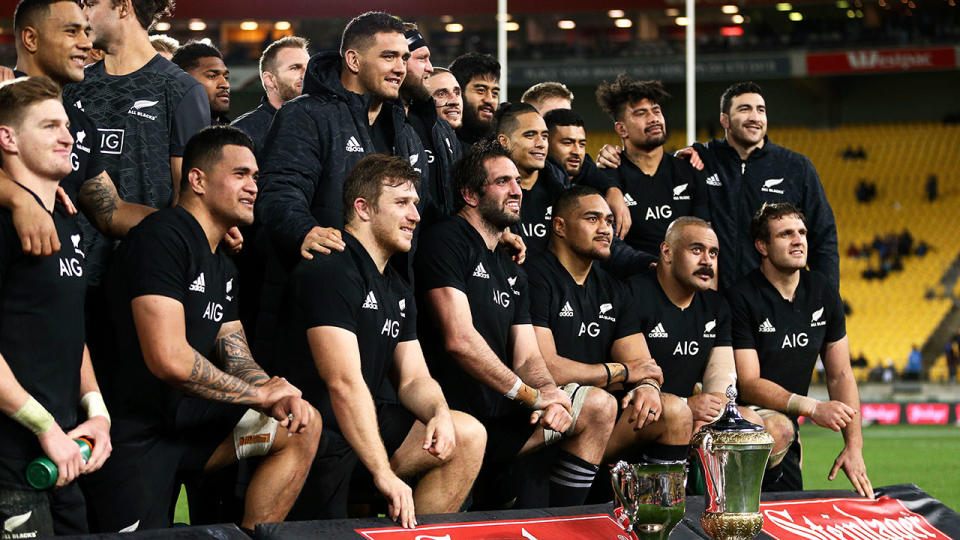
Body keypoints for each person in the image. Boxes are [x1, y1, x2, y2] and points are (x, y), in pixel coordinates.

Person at [82, 126, 320, 533]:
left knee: (300, 425)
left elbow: (235, 352)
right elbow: (169, 361)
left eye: (256, 178)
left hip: (187, 427)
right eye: (240, 174)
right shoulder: (162, 237)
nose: (252, 187)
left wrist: (274, 392)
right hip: (131, 437)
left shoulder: (222, 261)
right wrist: (258, 394)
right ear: (197, 180)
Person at [275, 154, 485, 526]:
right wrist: (383, 472)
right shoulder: (331, 267)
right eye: (402, 203)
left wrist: (437, 413)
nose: (415, 216)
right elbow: (342, 383)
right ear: (364, 208)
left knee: (466, 434)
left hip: (359, 425)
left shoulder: (397, 286)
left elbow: (414, 378)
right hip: (311, 433)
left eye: (415, 204)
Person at [415, 141, 617, 509]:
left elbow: (527, 355)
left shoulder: (511, 266)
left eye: (517, 182)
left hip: (507, 417)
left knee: (597, 406)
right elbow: (459, 340)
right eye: (502, 181)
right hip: (454, 419)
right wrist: (530, 395)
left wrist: (549, 394)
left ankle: (564, 524)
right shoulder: (445, 240)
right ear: (470, 195)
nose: (516, 190)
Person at [0, 76, 112, 538]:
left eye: (66, 125)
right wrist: (43, 425)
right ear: (7, 137)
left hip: (63, 451)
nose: (68, 136)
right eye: (49, 126)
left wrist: (98, 413)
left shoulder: (67, 221)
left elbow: (69, 330)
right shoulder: (5, 224)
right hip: (10, 458)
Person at [597, 82, 838, 291]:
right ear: (724, 119)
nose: (754, 117)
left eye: (761, 110)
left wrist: (827, 299)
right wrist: (610, 173)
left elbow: (823, 238)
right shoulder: (701, 159)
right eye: (744, 109)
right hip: (716, 297)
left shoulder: (796, 167)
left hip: (773, 298)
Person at [526, 186, 691, 466]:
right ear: (560, 226)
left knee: (674, 410)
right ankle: (575, 506)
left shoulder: (613, 289)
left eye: (609, 221)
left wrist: (649, 386)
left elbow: (643, 364)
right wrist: (621, 372)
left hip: (603, 412)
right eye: (592, 219)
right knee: (599, 403)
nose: (605, 229)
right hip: (545, 412)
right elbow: (547, 367)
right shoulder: (534, 276)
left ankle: (661, 508)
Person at [256, 11, 427, 267]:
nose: (400, 68)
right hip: (325, 282)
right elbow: (280, 190)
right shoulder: (306, 114)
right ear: (353, 61)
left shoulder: (405, 132)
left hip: (390, 294)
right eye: (388, 56)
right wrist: (303, 230)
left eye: (404, 58)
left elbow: (428, 212)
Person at [727, 202, 872, 497]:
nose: (798, 240)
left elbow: (841, 374)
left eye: (802, 232)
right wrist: (813, 407)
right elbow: (749, 383)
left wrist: (853, 447)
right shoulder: (741, 296)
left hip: (787, 422)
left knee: (786, 510)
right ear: (762, 245)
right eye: (785, 234)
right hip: (742, 418)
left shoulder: (823, 291)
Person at [65, 0, 210, 284]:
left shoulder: (180, 89)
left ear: (123, 7)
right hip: (72, 270)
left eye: (91, 4)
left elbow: (190, 199)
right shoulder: (74, 87)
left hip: (143, 273)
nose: (82, 14)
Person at [2, 0, 154, 261]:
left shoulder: (80, 124)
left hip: (61, 288)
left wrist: (194, 222)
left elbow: (111, 212)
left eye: (86, 32)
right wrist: (21, 199)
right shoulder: (3, 97)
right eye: (71, 32)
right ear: (30, 39)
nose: (86, 43)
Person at [625, 217, 762, 431]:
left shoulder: (716, 305)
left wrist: (710, 413)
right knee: (678, 415)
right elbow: (637, 383)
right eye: (697, 250)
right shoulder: (632, 295)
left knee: (751, 423)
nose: (707, 261)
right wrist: (686, 404)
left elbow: (721, 378)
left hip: (686, 414)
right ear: (667, 252)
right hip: (635, 413)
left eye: (713, 253)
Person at [595, 76, 708, 257]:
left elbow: (704, 238)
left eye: (656, 111)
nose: (653, 118)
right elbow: (609, 247)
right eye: (641, 113)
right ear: (621, 129)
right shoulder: (607, 179)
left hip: (684, 280)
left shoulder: (689, 171)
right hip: (631, 281)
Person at [400, 24, 461, 229]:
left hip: (439, 249)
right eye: (421, 58)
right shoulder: (378, 123)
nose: (429, 67)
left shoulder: (439, 128)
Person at [495, 102, 569, 255]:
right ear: (504, 142)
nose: (541, 143)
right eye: (530, 135)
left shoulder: (561, 189)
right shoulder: (487, 196)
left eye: (544, 136)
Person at [232, 36, 310, 155]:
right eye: (295, 68)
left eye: (308, 68)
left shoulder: (325, 123)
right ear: (269, 80)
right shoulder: (242, 132)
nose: (306, 75)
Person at [172, 41, 231, 125]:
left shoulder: (241, 133)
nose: (225, 85)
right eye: (212, 76)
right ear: (182, 82)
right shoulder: (160, 133)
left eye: (226, 78)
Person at [448, 52, 500, 146]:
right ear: (458, 92)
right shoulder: (439, 142)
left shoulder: (503, 145)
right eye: (481, 90)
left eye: (495, 93)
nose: (490, 100)